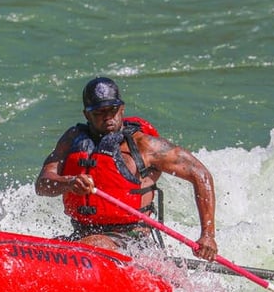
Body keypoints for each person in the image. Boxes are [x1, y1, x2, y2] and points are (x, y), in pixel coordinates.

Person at [34, 76, 218, 261]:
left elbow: (200, 174)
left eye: (112, 110)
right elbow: (42, 185)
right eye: (99, 112)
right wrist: (68, 182)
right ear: (86, 114)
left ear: (122, 108)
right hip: (83, 235)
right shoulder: (71, 140)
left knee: (92, 245)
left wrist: (208, 235)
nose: (107, 117)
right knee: (49, 248)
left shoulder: (145, 146)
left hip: (132, 241)